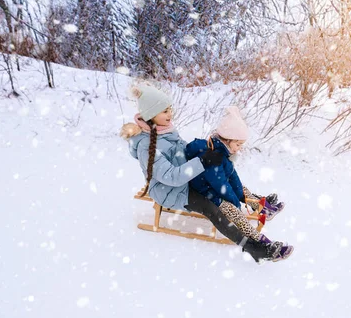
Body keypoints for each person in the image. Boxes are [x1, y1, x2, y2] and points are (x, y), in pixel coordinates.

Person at [120, 84, 282, 263]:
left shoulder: (166, 130)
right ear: (151, 114)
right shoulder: (146, 145)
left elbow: (183, 151)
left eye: (169, 110)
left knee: (220, 181)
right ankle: (252, 247)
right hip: (169, 190)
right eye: (164, 111)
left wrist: (205, 152)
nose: (170, 114)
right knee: (211, 208)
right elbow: (170, 176)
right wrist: (202, 162)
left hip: (187, 179)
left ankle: (257, 204)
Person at [185, 106, 293, 260]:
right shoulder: (213, 156)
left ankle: (262, 206)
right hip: (206, 193)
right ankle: (262, 242)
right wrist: (236, 203)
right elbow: (221, 186)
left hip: (211, 189)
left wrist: (242, 195)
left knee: (240, 188)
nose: (239, 149)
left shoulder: (222, 151)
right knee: (234, 211)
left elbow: (232, 177)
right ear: (227, 140)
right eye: (238, 145)